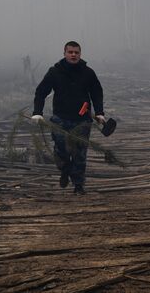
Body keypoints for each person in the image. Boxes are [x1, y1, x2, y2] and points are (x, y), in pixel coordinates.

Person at [31, 41, 105, 195]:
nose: (73, 55)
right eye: (70, 52)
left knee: (80, 153)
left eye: (76, 52)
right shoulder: (55, 72)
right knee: (61, 150)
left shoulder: (88, 73)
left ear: (80, 54)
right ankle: (65, 170)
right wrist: (37, 112)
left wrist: (99, 112)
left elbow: (97, 93)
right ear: (64, 53)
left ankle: (78, 185)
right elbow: (41, 92)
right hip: (60, 119)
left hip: (83, 120)